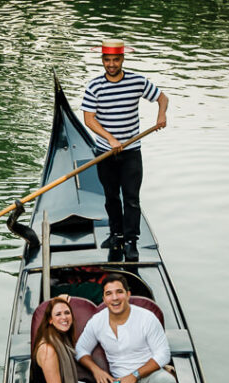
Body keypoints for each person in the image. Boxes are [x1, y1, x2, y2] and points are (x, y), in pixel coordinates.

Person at [82, 39, 168, 262]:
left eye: (115, 59)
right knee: (111, 197)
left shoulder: (137, 82)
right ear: (102, 60)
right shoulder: (94, 87)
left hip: (131, 151)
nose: (111, 64)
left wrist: (161, 115)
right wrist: (110, 139)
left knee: (131, 198)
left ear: (122, 59)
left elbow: (162, 98)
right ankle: (116, 234)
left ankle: (131, 241)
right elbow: (89, 119)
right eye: (107, 60)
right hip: (105, 152)